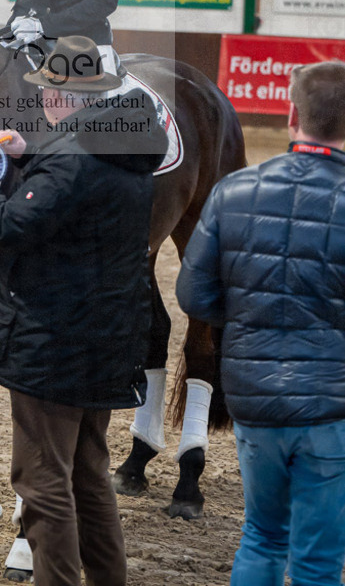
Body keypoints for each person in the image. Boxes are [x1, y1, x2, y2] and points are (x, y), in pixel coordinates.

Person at [0, 35, 168, 586]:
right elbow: (71, 191)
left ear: (69, 98)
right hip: (107, 340)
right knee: (89, 475)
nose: (44, 101)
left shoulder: (71, 161)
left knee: (42, 480)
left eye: (50, 92)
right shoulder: (122, 147)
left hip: (52, 345)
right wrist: (35, 157)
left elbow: (9, 225)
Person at [175, 60, 345, 586]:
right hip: (329, 404)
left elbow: (192, 294)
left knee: (262, 536)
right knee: (317, 560)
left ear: (291, 115)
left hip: (254, 398)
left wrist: (251, 314)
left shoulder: (233, 192)